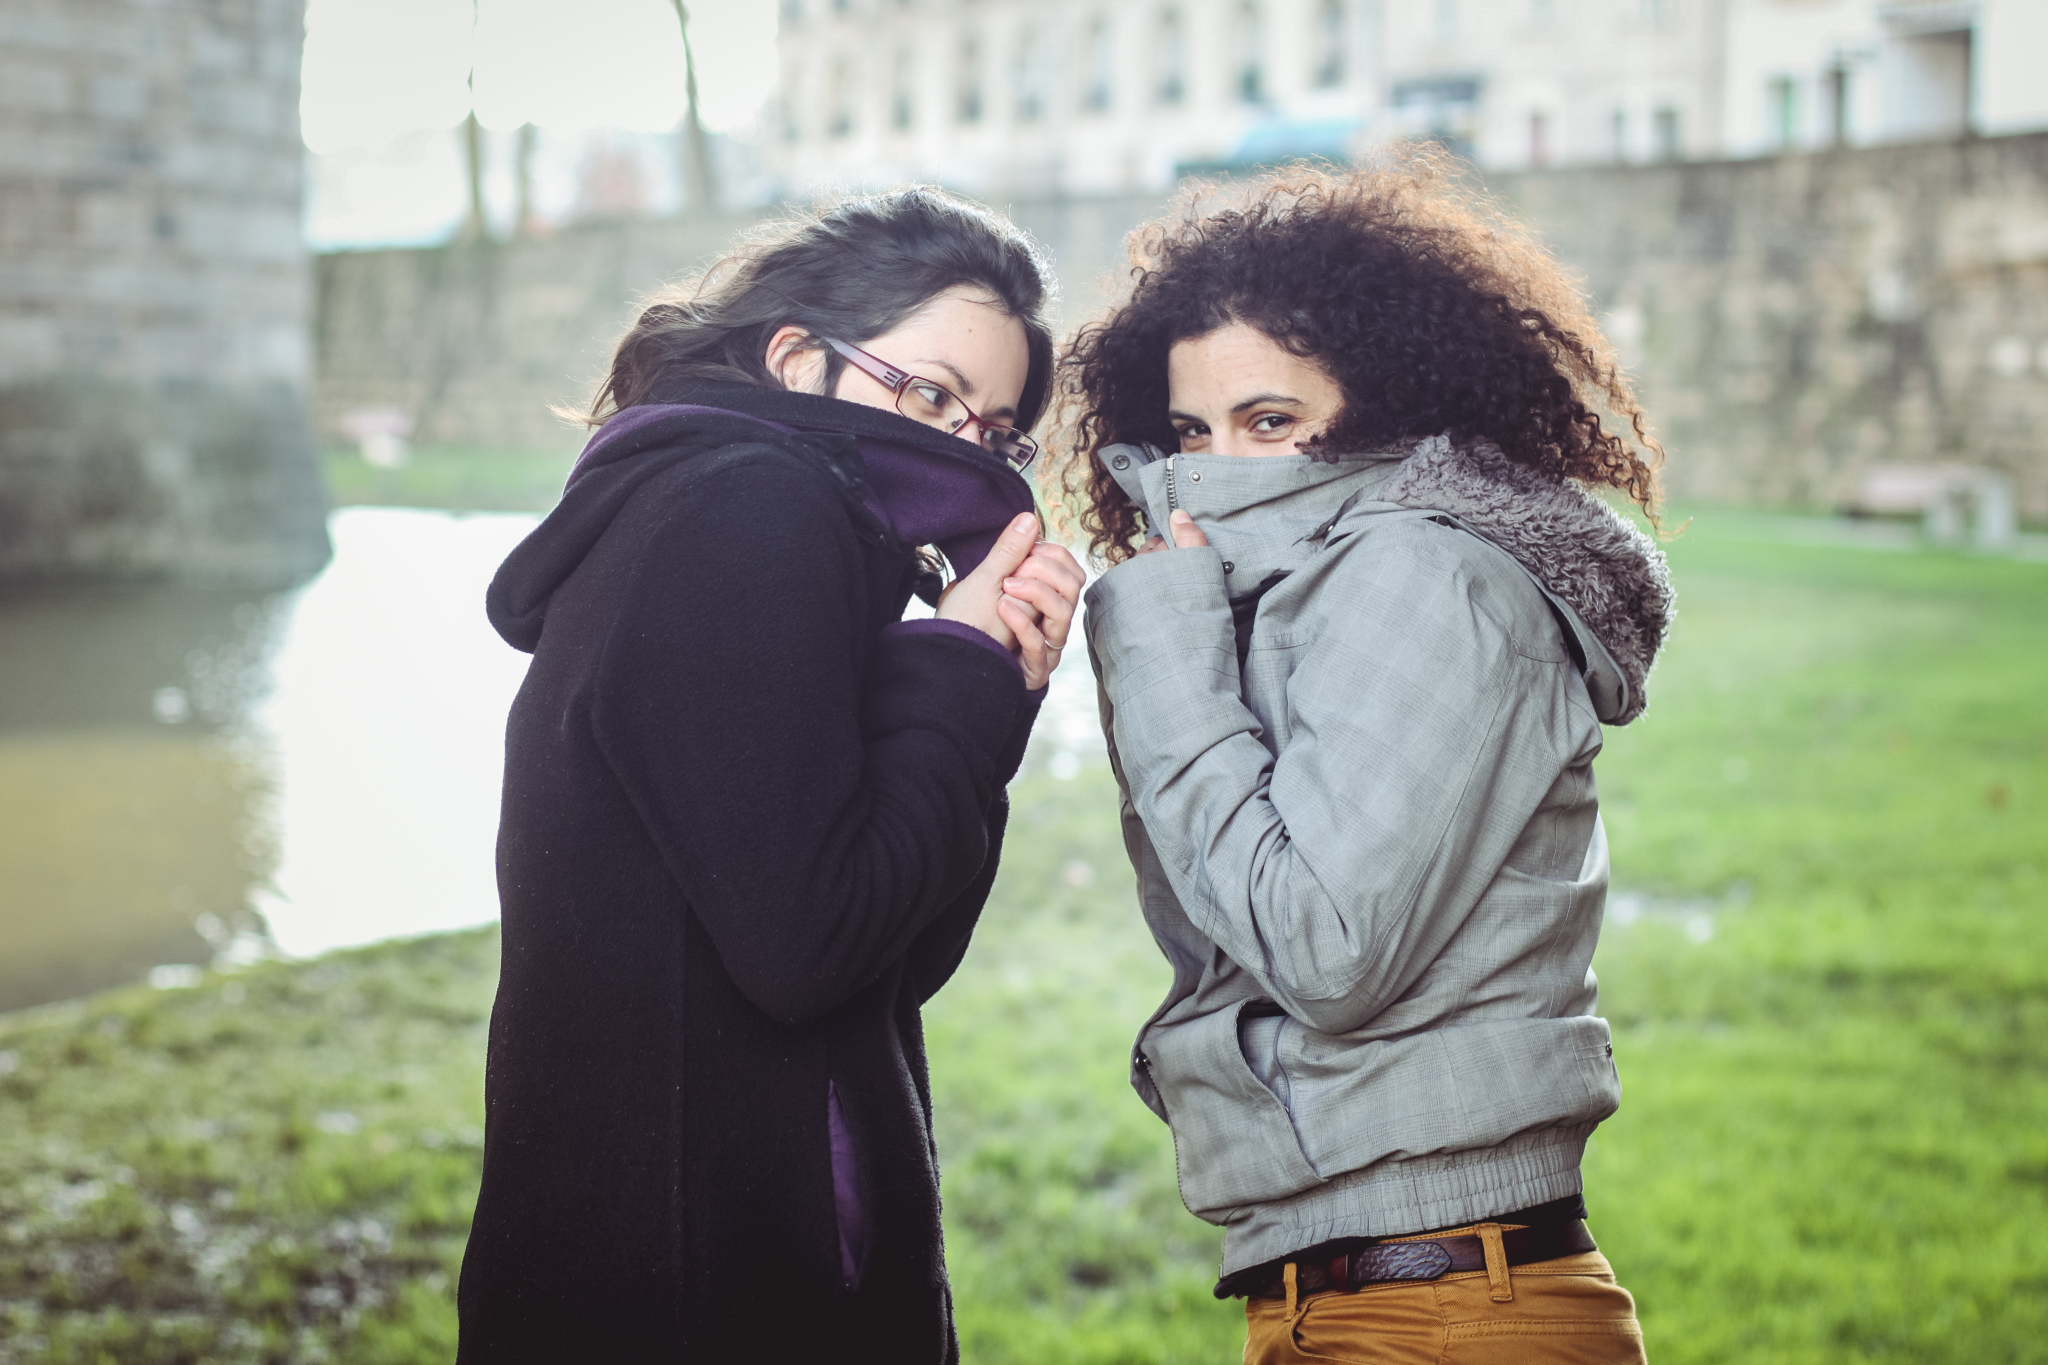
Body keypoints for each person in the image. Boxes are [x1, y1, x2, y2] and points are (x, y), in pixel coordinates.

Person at [1056, 156, 1674, 1364]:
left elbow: (1325, 951)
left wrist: (1165, 647)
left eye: (1271, 422)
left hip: (1444, 1307)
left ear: (1388, 407)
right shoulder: (1313, 588)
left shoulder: (1430, 573)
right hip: (1338, 1293)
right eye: (1190, 431)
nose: (1220, 470)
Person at [458, 187, 1084, 1363]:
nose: (961, 449)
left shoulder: (748, 519)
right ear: (799, 361)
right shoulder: (749, 509)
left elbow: (893, 959)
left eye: (994, 430)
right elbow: (812, 949)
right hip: (710, 1278)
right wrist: (952, 671)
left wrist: (985, 689)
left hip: (662, 1250)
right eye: (930, 393)